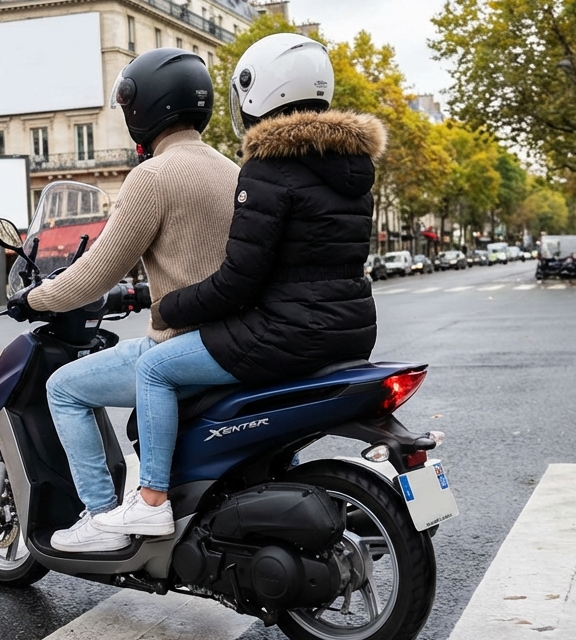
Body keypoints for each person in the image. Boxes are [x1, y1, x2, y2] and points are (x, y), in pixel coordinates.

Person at [91, 33, 385, 541]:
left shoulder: (268, 169)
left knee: (155, 367)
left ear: (259, 91)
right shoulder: (354, 169)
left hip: (285, 333)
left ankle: (152, 500)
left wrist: (170, 307)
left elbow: (238, 282)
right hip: (353, 330)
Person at [6, 48, 238, 552]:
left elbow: (95, 273)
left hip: (181, 344)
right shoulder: (232, 170)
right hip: (233, 340)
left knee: (63, 387)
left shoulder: (152, 177)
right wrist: (145, 292)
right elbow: (204, 265)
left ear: (143, 106)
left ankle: (99, 516)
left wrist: (37, 298)